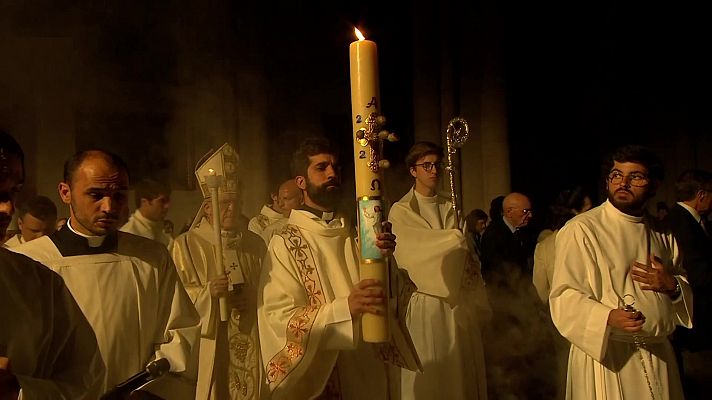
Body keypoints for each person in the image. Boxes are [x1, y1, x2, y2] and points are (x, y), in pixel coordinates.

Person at [12, 149, 201, 399]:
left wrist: (148, 393)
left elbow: (180, 335)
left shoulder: (151, 258)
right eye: (96, 195)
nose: (109, 207)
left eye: (119, 195)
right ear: (65, 192)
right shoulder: (28, 262)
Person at [257, 137, 420, 400]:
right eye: (321, 168)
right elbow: (277, 317)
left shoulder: (355, 235)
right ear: (301, 182)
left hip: (367, 370)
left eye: (335, 167)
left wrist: (384, 260)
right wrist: (345, 309)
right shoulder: (285, 243)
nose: (332, 173)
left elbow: (392, 298)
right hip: (324, 376)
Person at [550, 144, 692, 399]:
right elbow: (564, 295)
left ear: (655, 184)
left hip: (659, 353)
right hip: (609, 356)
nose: (623, 183)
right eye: (616, 175)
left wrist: (672, 286)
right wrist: (606, 316)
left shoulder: (662, 233)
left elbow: (680, 282)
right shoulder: (582, 229)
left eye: (635, 176)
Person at [0, 131, 104, 398]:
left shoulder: (38, 283)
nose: (7, 208)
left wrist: (20, 390)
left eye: (13, 191)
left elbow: (85, 380)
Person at [389, 141, 487, 399]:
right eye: (426, 165)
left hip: (458, 303)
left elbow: (465, 254)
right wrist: (450, 241)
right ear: (413, 171)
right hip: (426, 302)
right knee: (431, 376)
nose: (434, 171)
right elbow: (410, 254)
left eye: (437, 165)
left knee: (459, 376)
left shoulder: (452, 205)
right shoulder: (400, 211)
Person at [171, 143, 267, 400]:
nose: (231, 210)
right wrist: (207, 294)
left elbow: (273, 292)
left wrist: (256, 297)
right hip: (210, 344)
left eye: (236, 202)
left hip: (251, 338)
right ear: (207, 208)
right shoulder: (187, 245)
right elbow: (175, 301)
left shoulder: (255, 244)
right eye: (224, 203)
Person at [665, 169, 712, 398]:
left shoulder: (696, 222)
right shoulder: (680, 223)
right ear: (701, 195)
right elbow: (695, 273)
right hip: (694, 322)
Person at [532, 187, 592, 304]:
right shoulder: (590, 240)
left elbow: (541, 290)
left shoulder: (544, 246)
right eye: (589, 209)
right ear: (576, 212)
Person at [120, 178, 174, 249]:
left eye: (168, 201)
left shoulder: (163, 230)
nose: (167, 206)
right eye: (162, 201)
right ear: (144, 202)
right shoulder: (129, 235)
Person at [257, 179, 303, 245]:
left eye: (286, 198)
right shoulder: (271, 231)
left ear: (301, 200)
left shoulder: (317, 225)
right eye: (279, 199)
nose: (280, 204)